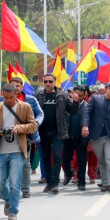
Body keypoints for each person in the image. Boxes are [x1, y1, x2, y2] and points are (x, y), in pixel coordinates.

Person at [35, 74, 79, 194]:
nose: (48, 84)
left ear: (54, 82)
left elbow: (72, 110)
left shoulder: (62, 95)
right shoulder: (38, 95)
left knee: (57, 156)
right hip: (43, 131)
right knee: (45, 158)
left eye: (50, 81)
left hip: (58, 132)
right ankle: (49, 183)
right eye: (45, 81)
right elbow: (33, 110)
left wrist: (75, 102)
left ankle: (55, 183)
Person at [0, 83, 37, 220]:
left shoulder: (25, 107)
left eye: (10, 97)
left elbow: (33, 126)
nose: (8, 100)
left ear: (16, 94)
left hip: (18, 151)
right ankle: (8, 199)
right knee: (1, 183)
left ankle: (13, 212)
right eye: (5, 97)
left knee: (15, 183)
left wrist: (19, 128)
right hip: (1, 151)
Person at [5, 77, 44, 198]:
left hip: (25, 137)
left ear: (22, 87)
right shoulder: (3, 101)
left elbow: (40, 114)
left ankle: (25, 189)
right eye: (12, 85)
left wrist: (35, 124)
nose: (15, 88)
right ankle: (7, 190)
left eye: (17, 85)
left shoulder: (30, 100)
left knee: (25, 164)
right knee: (6, 163)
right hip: (7, 137)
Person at [82, 82, 110, 193]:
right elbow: (87, 112)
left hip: (109, 137)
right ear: (107, 89)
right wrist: (85, 126)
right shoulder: (95, 99)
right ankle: (105, 183)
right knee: (102, 160)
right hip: (96, 135)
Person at [62, 85, 89, 191]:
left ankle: (81, 182)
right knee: (65, 160)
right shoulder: (68, 104)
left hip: (81, 138)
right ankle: (68, 173)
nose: (78, 98)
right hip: (68, 137)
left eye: (81, 96)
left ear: (85, 95)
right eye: (76, 95)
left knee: (82, 161)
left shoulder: (87, 106)